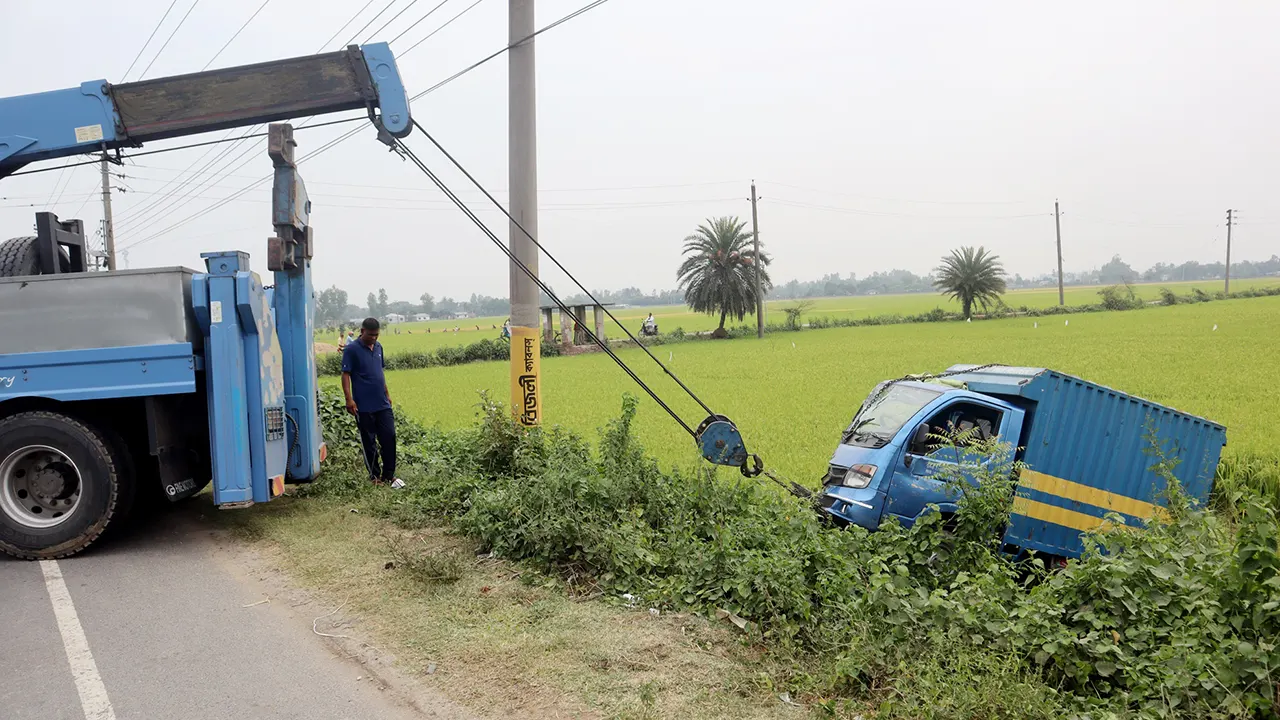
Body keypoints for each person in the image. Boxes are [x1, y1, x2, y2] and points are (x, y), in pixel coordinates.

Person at [341, 318, 404, 489]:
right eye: (371, 335)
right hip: (363, 405)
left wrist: (387, 394)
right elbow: (346, 375)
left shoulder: (378, 348)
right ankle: (374, 476)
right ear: (362, 331)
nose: (374, 338)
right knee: (369, 441)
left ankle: (389, 475)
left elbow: (379, 373)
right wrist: (349, 399)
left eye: (376, 335)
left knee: (389, 437)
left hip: (382, 403)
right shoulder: (352, 349)